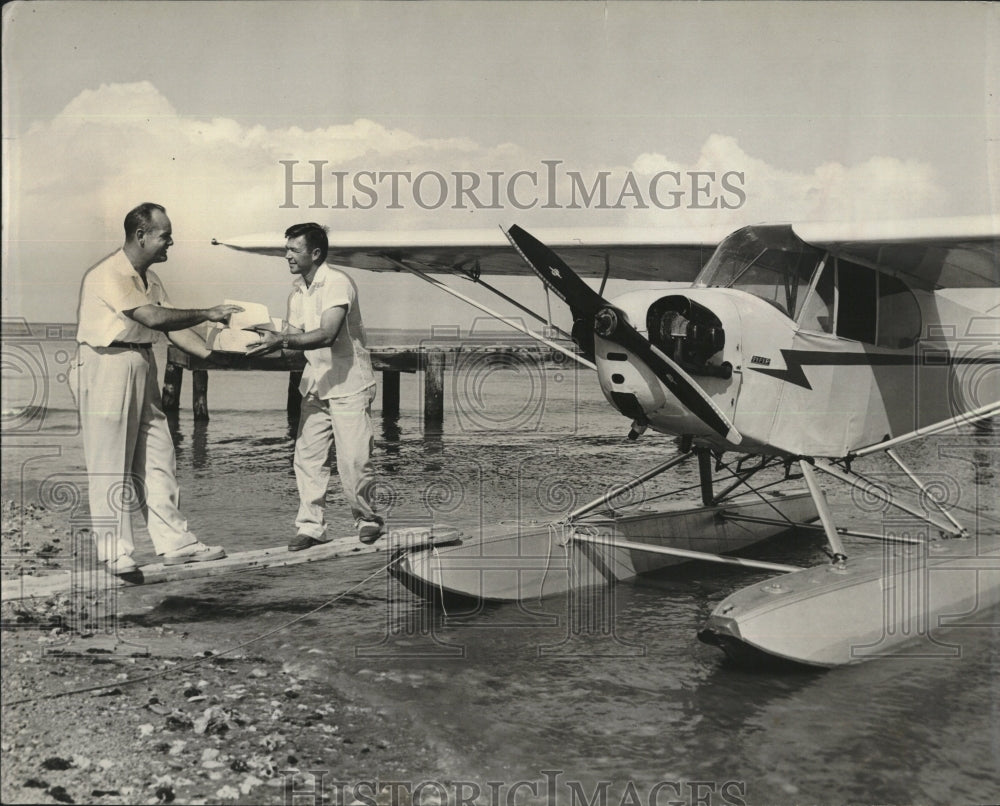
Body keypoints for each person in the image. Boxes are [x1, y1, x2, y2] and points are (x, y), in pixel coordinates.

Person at [75, 202, 244, 574]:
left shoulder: (151, 279)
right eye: (165, 235)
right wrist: (208, 312)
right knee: (110, 461)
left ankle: (176, 543)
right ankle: (115, 553)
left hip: (140, 361)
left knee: (159, 454)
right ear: (141, 235)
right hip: (107, 362)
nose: (171, 242)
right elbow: (151, 316)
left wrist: (214, 353)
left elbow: (173, 329)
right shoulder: (111, 272)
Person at [247, 222, 384, 549]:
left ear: (316, 253)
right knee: (307, 459)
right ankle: (311, 527)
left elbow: (327, 333)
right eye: (286, 249)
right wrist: (252, 342)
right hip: (315, 384)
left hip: (349, 383)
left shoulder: (337, 283)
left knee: (353, 460)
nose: (287, 256)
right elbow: (292, 337)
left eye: (294, 250)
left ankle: (368, 519)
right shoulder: (298, 290)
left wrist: (284, 338)